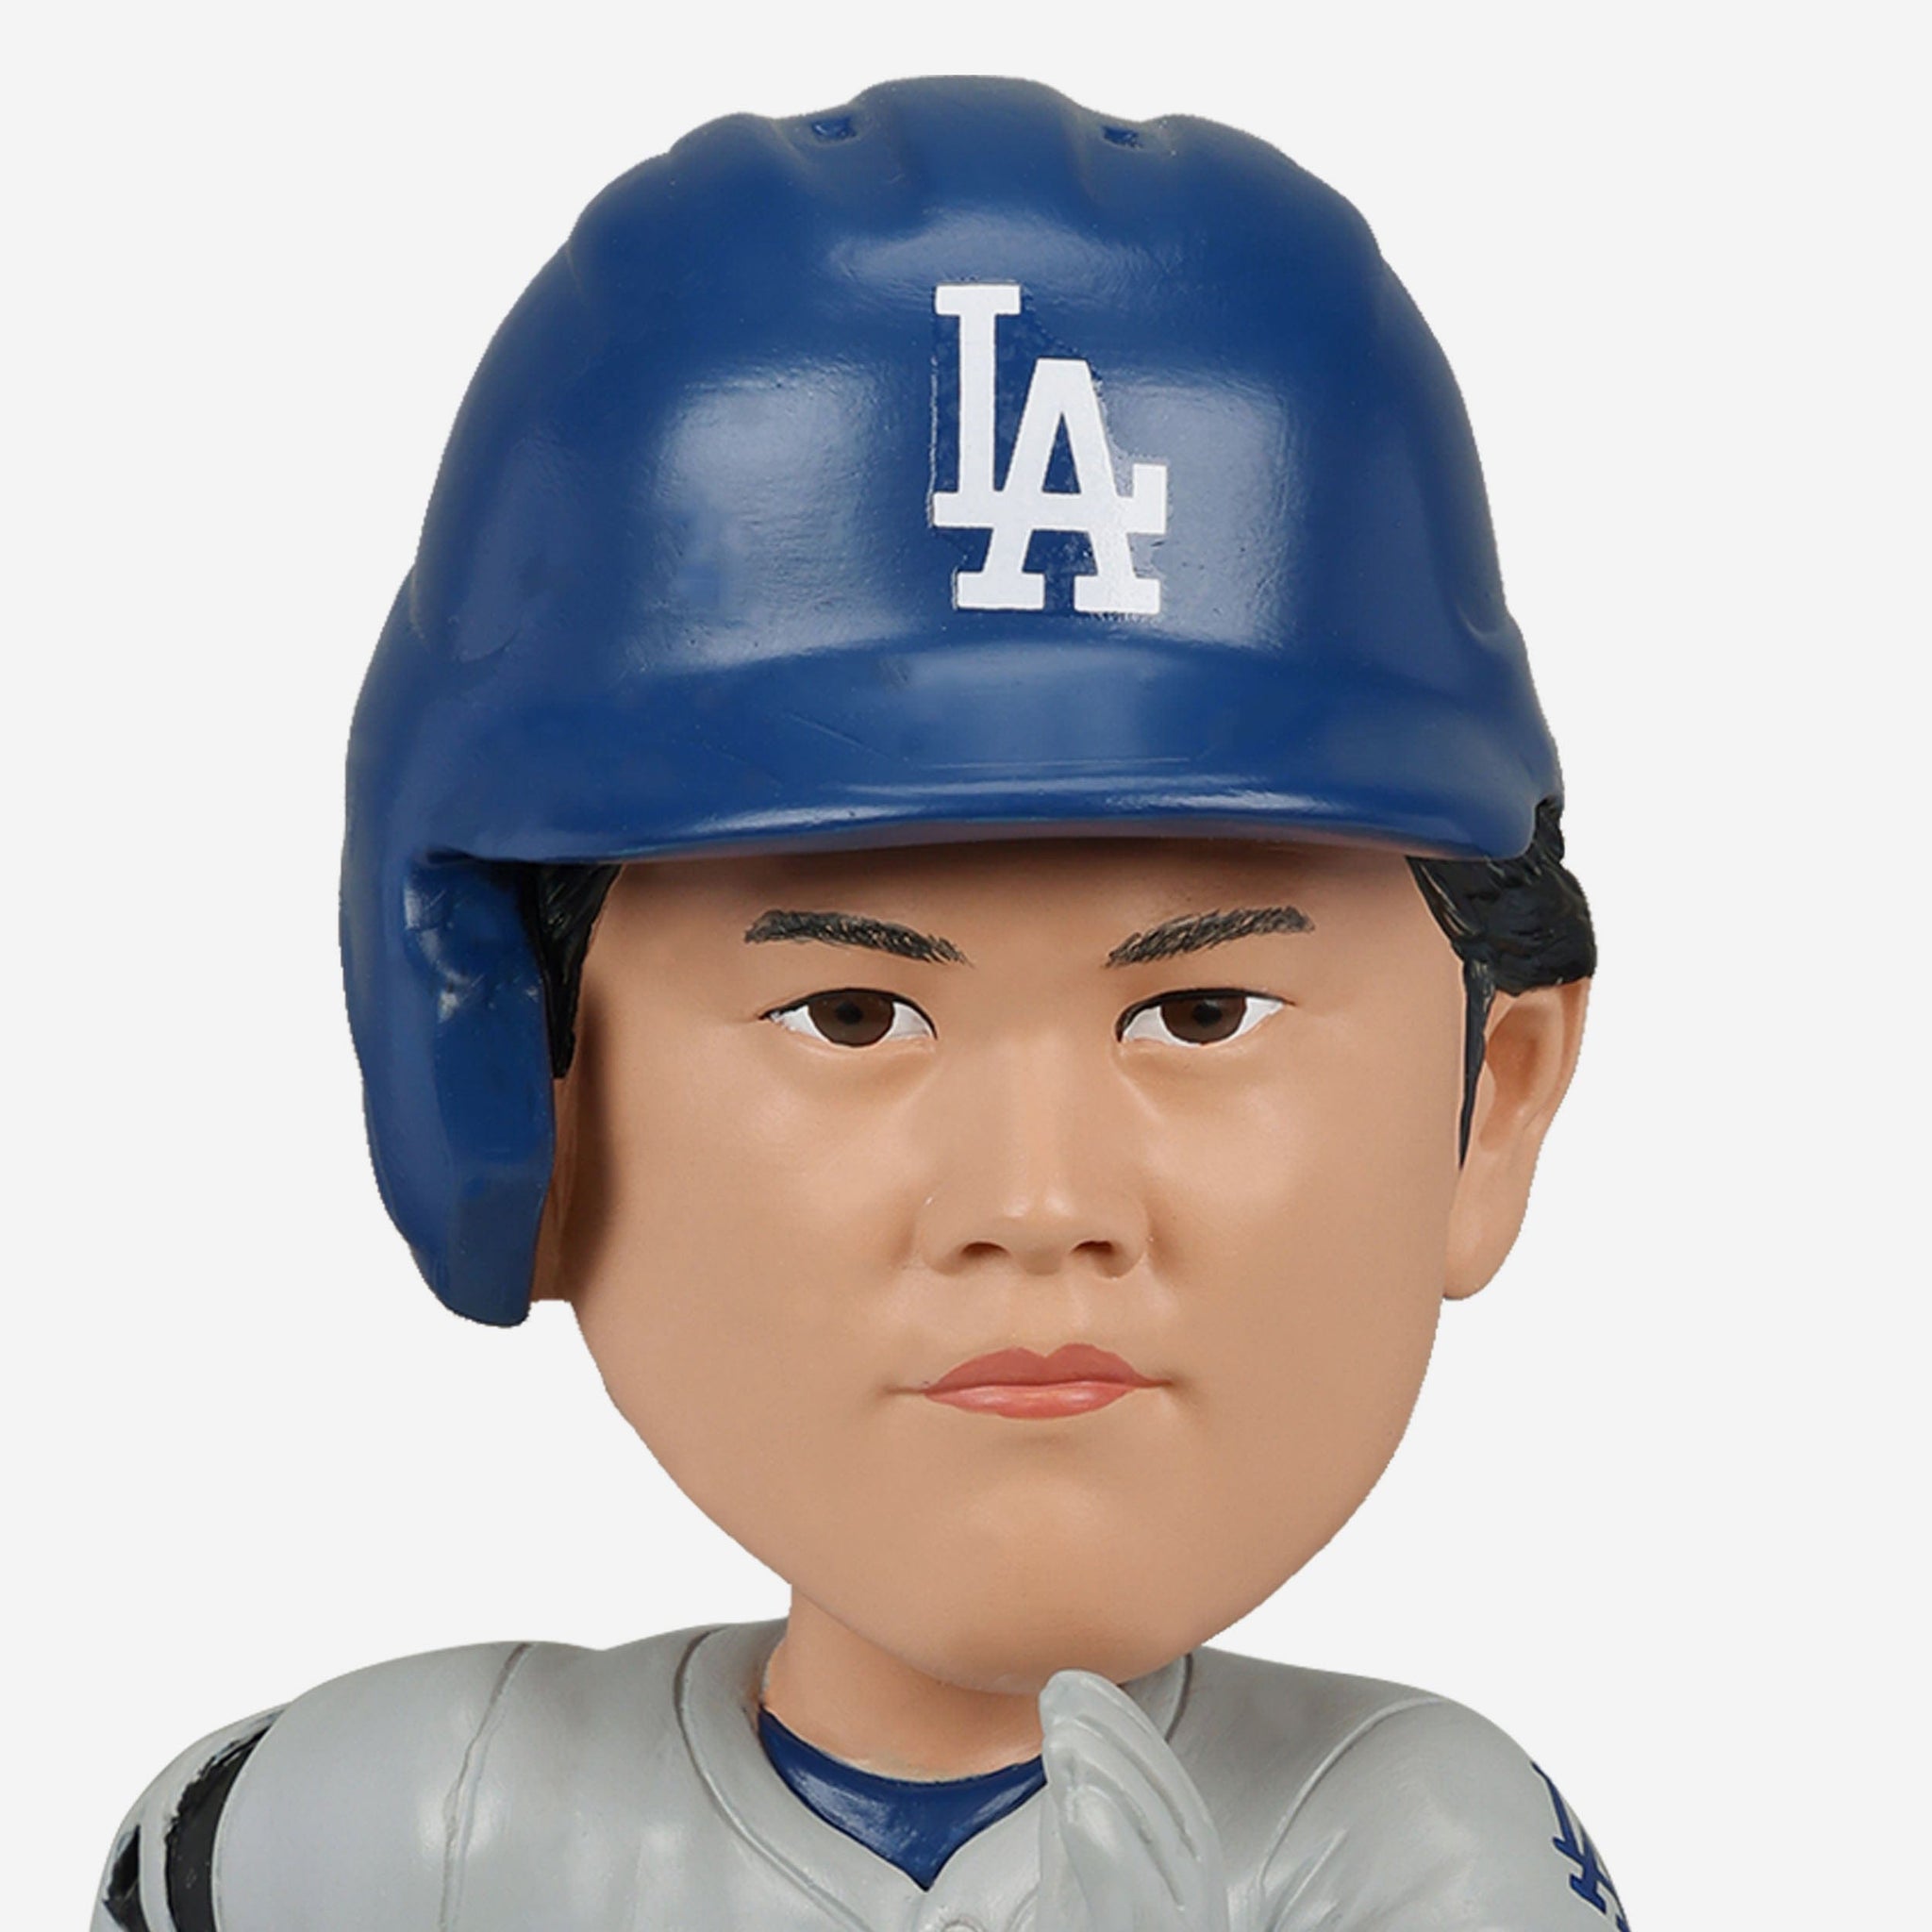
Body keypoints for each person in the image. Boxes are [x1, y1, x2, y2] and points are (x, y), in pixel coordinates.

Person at [95, 75, 1623, 1931]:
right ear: (514, 1079)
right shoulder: (377, 1825)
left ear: (1496, 1089)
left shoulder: (1404, 1852)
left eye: (1204, 1014)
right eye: (847, 1016)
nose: (1038, 1200)